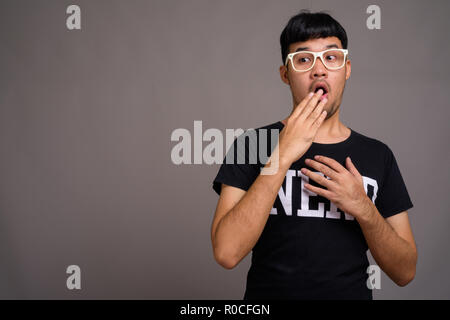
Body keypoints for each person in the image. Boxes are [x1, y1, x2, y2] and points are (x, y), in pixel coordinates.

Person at [210, 10, 417, 300]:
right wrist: (281, 155)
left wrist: (363, 207)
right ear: (285, 74)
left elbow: (405, 271)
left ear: (346, 68)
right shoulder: (252, 144)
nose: (319, 70)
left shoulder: (378, 155)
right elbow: (226, 252)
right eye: (304, 59)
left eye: (331, 58)